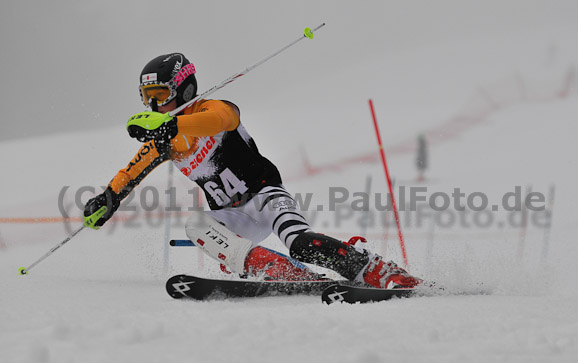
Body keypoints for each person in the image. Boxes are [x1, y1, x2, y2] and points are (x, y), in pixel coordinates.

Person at [83, 52, 422, 289]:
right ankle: (281, 272)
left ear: (183, 89)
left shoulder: (210, 109)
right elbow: (130, 172)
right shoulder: (163, 143)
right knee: (195, 224)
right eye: (148, 98)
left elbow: (223, 120)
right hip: (233, 219)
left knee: (301, 243)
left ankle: (373, 268)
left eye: (161, 95)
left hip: (265, 197)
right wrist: (108, 198)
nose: (155, 106)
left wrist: (172, 124)